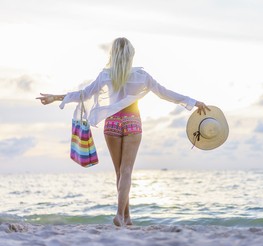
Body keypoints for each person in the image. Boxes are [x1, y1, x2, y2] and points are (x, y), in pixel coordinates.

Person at [37, 37, 210, 227]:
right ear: (131, 55)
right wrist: (193, 102)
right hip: (132, 122)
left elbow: (83, 94)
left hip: (112, 124)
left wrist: (55, 97)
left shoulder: (105, 75)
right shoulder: (141, 75)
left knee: (119, 173)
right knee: (126, 171)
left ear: (113, 54)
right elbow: (164, 92)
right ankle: (120, 215)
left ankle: (126, 218)